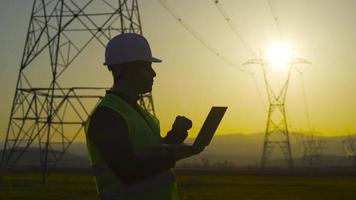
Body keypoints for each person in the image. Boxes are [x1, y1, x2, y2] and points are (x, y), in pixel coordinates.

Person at [84, 33, 202, 200]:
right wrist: (172, 157)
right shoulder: (107, 116)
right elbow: (128, 171)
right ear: (125, 69)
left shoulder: (135, 111)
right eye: (147, 67)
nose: (153, 74)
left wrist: (174, 137)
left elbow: (148, 152)